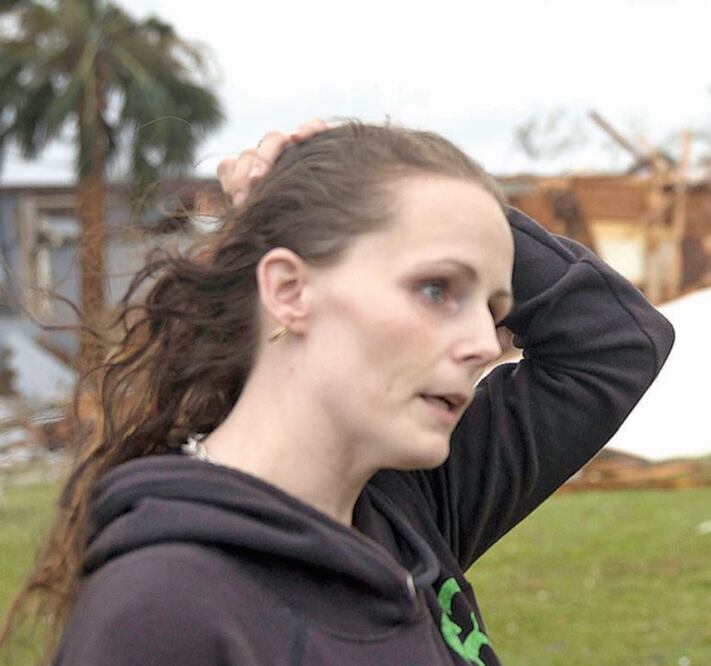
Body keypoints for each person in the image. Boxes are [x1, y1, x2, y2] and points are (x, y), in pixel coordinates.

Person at [2, 120, 674, 664]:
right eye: (437, 288)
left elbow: (616, 341)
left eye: (494, 306)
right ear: (289, 291)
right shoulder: (167, 613)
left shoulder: (405, 506)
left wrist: (444, 205)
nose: (483, 342)